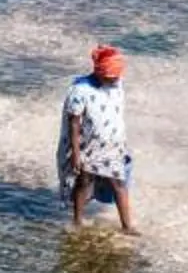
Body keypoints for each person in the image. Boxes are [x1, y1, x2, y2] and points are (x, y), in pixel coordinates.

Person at [57, 44, 138, 233]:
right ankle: (77, 221)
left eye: (117, 76)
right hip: (89, 146)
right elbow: (74, 123)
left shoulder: (117, 82)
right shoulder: (80, 90)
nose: (115, 80)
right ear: (98, 72)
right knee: (84, 182)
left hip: (113, 144)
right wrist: (76, 153)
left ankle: (127, 227)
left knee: (119, 183)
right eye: (110, 77)